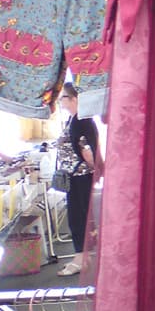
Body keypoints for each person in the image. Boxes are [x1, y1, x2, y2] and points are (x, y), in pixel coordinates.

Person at [55, 83, 100, 277]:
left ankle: (80, 258)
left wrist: (95, 169)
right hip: (77, 175)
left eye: (64, 97)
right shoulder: (76, 119)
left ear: (74, 99)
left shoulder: (80, 120)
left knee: (78, 218)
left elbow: (87, 150)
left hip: (80, 176)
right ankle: (82, 256)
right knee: (79, 217)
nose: (61, 101)